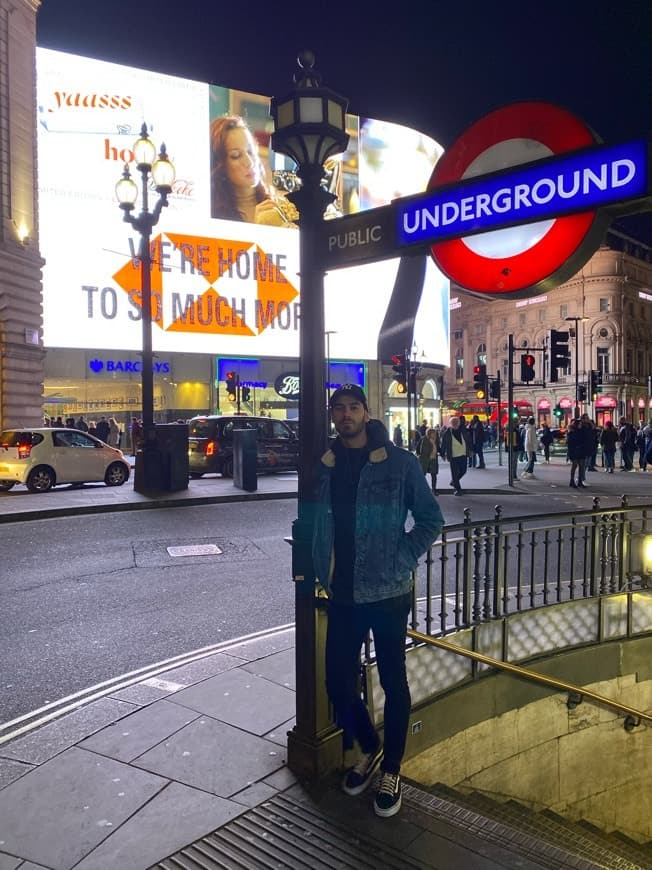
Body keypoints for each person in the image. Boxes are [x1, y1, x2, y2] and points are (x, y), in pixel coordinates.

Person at [312, 384, 443, 819]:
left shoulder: (400, 464)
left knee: (393, 680)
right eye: (339, 409)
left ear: (367, 413)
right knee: (336, 683)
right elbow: (317, 522)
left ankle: (392, 769)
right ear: (333, 416)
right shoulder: (327, 466)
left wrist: (401, 556)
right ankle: (369, 746)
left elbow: (430, 519)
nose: (345, 415)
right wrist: (319, 567)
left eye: (353, 407)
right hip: (344, 593)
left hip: (388, 593)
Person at [209, 115, 298, 226]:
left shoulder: (279, 207)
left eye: (250, 151)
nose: (249, 162)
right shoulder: (211, 217)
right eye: (236, 156)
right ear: (219, 165)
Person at [441, 416, 472, 495]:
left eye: (456, 422)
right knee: (454, 473)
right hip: (453, 455)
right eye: (453, 423)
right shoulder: (447, 433)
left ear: (459, 423)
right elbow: (443, 444)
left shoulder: (463, 430)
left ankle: (454, 482)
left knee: (463, 470)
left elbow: (468, 440)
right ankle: (458, 489)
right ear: (451, 424)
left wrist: (471, 450)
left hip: (463, 454)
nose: (455, 424)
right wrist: (443, 454)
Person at [417, 427, 440, 493]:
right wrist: (420, 456)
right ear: (429, 434)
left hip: (433, 459)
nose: (434, 435)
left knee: (434, 474)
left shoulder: (436, 440)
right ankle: (421, 488)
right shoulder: (423, 439)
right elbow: (418, 449)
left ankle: (434, 489)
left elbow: (438, 448)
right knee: (422, 475)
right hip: (424, 460)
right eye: (433, 433)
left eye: (435, 434)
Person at [567, 419, 586, 488]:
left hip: (581, 451)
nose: (581, 425)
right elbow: (569, 444)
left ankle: (579, 481)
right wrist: (570, 453)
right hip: (575, 451)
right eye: (579, 424)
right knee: (574, 466)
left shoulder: (582, 432)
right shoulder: (571, 433)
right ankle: (572, 481)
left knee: (581, 466)